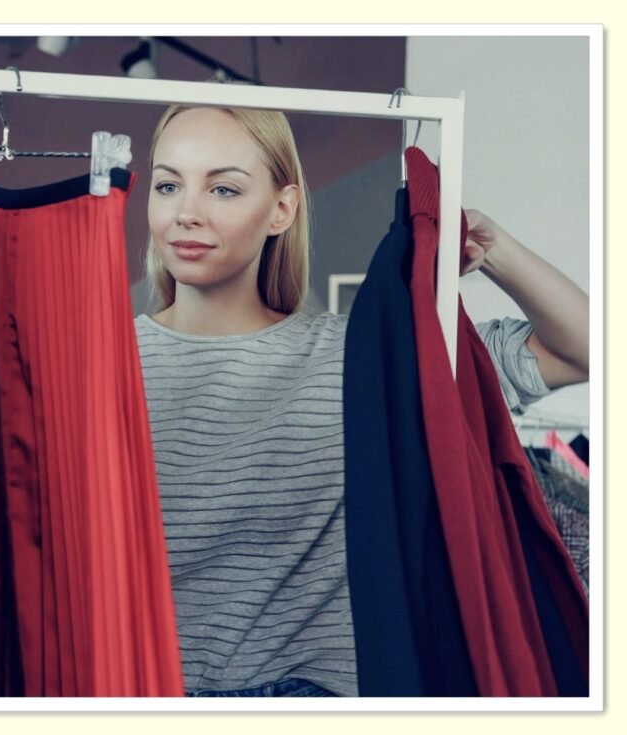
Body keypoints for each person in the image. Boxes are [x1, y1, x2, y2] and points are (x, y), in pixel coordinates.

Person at [133, 104, 589, 697]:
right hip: (142, 693)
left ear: (282, 209)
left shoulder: (360, 355)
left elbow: (583, 348)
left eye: (222, 188)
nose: (186, 213)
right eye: (169, 185)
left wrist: (493, 245)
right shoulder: (102, 362)